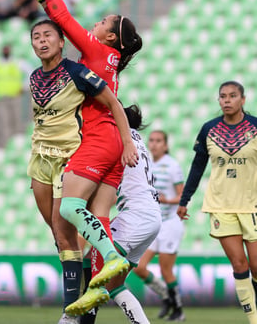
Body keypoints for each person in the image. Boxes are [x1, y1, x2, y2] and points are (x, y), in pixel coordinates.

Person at [17, 0, 142, 313]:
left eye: (104, 21)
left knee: (70, 210)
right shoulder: (109, 60)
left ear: (112, 37)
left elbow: (64, 21)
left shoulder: (97, 52)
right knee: (97, 218)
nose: (97, 24)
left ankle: (111, 259)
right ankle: (94, 294)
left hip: (99, 138)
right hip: (113, 145)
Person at [177, 81, 257, 324]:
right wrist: (185, 199)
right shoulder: (208, 129)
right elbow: (197, 166)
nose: (227, 100)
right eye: (223, 96)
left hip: (252, 205)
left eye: (233, 96)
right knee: (239, 264)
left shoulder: (255, 127)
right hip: (221, 207)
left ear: (242, 99)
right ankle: (253, 320)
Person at [80, 104, 162, 323]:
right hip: (151, 216)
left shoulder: (118, 139)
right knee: (114, 285)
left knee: (95, 268)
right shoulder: (138, 142)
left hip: (136, 216)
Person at [132, 130, 185, 321]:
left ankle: (178, 309)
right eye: (151, 140)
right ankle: (166, 296)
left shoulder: (172, 166)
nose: (154, 144)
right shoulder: (145, 162)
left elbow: (182, 196)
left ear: (166, 145)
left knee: (166, 269)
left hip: (171, 223)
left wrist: (166, 200)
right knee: (138, 267)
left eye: (158, 141)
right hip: (154, 222)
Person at [0, 44, 30, 148]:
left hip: (16, 97)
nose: (6, 50)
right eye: (4, 48)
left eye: (7, 47)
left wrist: (24, 87)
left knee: (18, 122)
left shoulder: (18, 61)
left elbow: (31, 73)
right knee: (4, 124)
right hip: (1, 98)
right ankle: (7, 148)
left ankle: (20, 147)